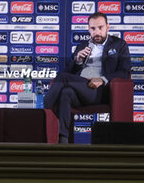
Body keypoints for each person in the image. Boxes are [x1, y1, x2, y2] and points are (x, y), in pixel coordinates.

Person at [44, 12, 131, 144]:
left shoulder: (119, 45)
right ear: (88, 29)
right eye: (93, 28)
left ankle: (42, 112)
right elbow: (68, 71)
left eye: (100, 28)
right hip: (81, 90)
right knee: (65, 92)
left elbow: (124, 72)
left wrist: (102, 79)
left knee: (62, 78)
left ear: (108, 27)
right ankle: (63, 140)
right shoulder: (82, 46)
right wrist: (77, 61)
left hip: (101, 91)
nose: (97, 32)